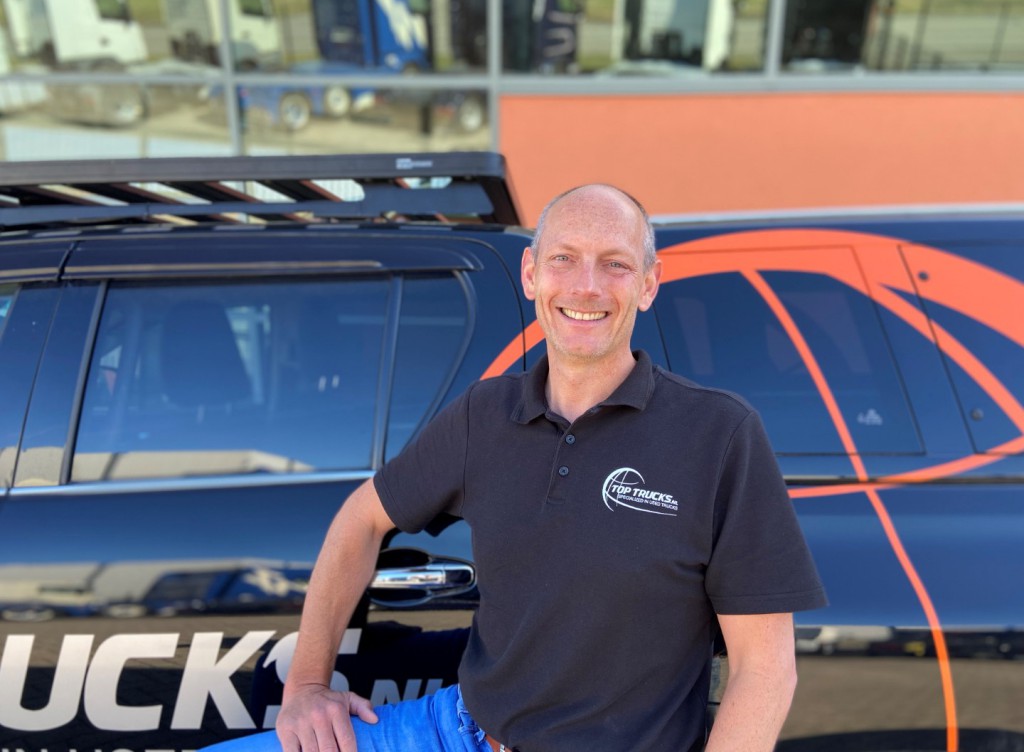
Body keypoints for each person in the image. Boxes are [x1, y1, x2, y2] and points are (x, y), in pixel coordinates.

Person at [204, 184, 826, 752]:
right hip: (454, 732)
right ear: (531, 274)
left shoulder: (718, 434)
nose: (586, 285)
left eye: (615, 263)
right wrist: (307, 686)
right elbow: (361, 519)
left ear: (648, 284)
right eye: (563, 258)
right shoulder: (484, 414)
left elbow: (765, 669)